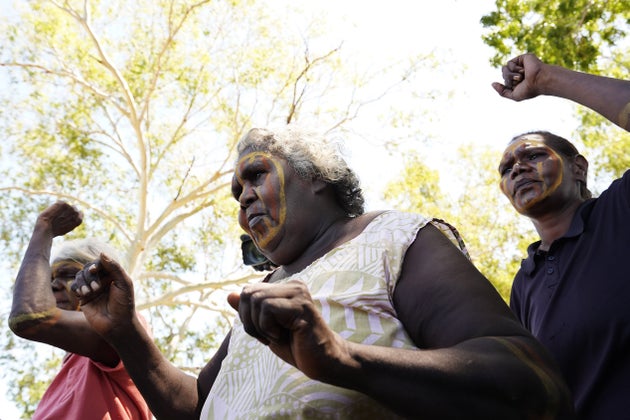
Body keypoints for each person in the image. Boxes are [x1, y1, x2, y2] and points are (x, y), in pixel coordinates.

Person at [72, 125, 573, 419]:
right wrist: (126, 333)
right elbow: (195, 408)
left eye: (256, 176)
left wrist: (343, 360)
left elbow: (532, 380)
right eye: (235, 193)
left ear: (316, 177)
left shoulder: (394, 236)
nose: (243, 197)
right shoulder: (267, 293)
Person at [492, 53, 630, 419]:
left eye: (534, 155)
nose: (518, 168)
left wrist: (547, 80)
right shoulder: (525, 282)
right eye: (507, 169)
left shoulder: (620, 210)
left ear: (579, 168)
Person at [8, 201, 153, 420]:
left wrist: (44, 228)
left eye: (67, 275)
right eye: (49, 280)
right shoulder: (63, 378)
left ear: (103, 281)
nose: (53, 286)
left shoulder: (122, 326)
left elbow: (31, 316)